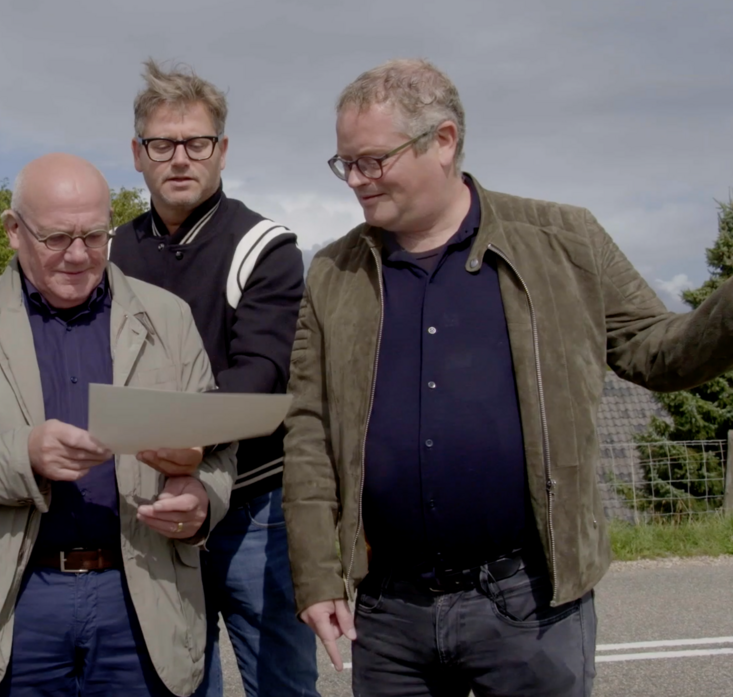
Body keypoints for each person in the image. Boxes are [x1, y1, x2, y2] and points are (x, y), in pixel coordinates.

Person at [283, 58, 733, 697]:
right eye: (345, 163)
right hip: (389, 612)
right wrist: (317, 575)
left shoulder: (566, 241)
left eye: (373, 161)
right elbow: (307, 429)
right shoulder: (333, 272)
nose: (356, 180)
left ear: (443, 141)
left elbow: (660, 354)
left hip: (532, 604)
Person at [0, 152, 236, 697]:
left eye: (95, 236)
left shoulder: (169, 317)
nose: (79, 255)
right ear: (14, 230)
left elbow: (217, 449)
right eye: (57, 238)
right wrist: (25, 454)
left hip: (142, 593)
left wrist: (202, 498)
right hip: (16, 600)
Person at [108, 59, 316, 697]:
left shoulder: (264, 246)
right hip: (152, 507)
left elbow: (261, 374)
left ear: (222, 151)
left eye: (197, 143)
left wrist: (183, 446)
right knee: (176, 683)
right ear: (137, 154)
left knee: (281, 685)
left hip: (255, 507)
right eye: (161, 144)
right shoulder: (110, 250)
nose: (180, 158)